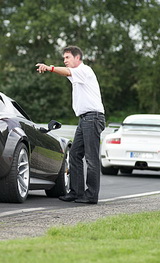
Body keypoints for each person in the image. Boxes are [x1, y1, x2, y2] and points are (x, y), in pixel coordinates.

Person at [36, 46, 105, 204]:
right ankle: (76, 192)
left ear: (77, 58)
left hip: (93, 118)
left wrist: (49, 68)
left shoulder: (84, 70)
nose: (64, 60)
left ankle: (91, 195)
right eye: (64, 58)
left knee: (91, 159)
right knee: (74, 154)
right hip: (85, 119)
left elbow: (66, 72)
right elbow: (67, 73)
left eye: (67, 57)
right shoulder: (77, 74)